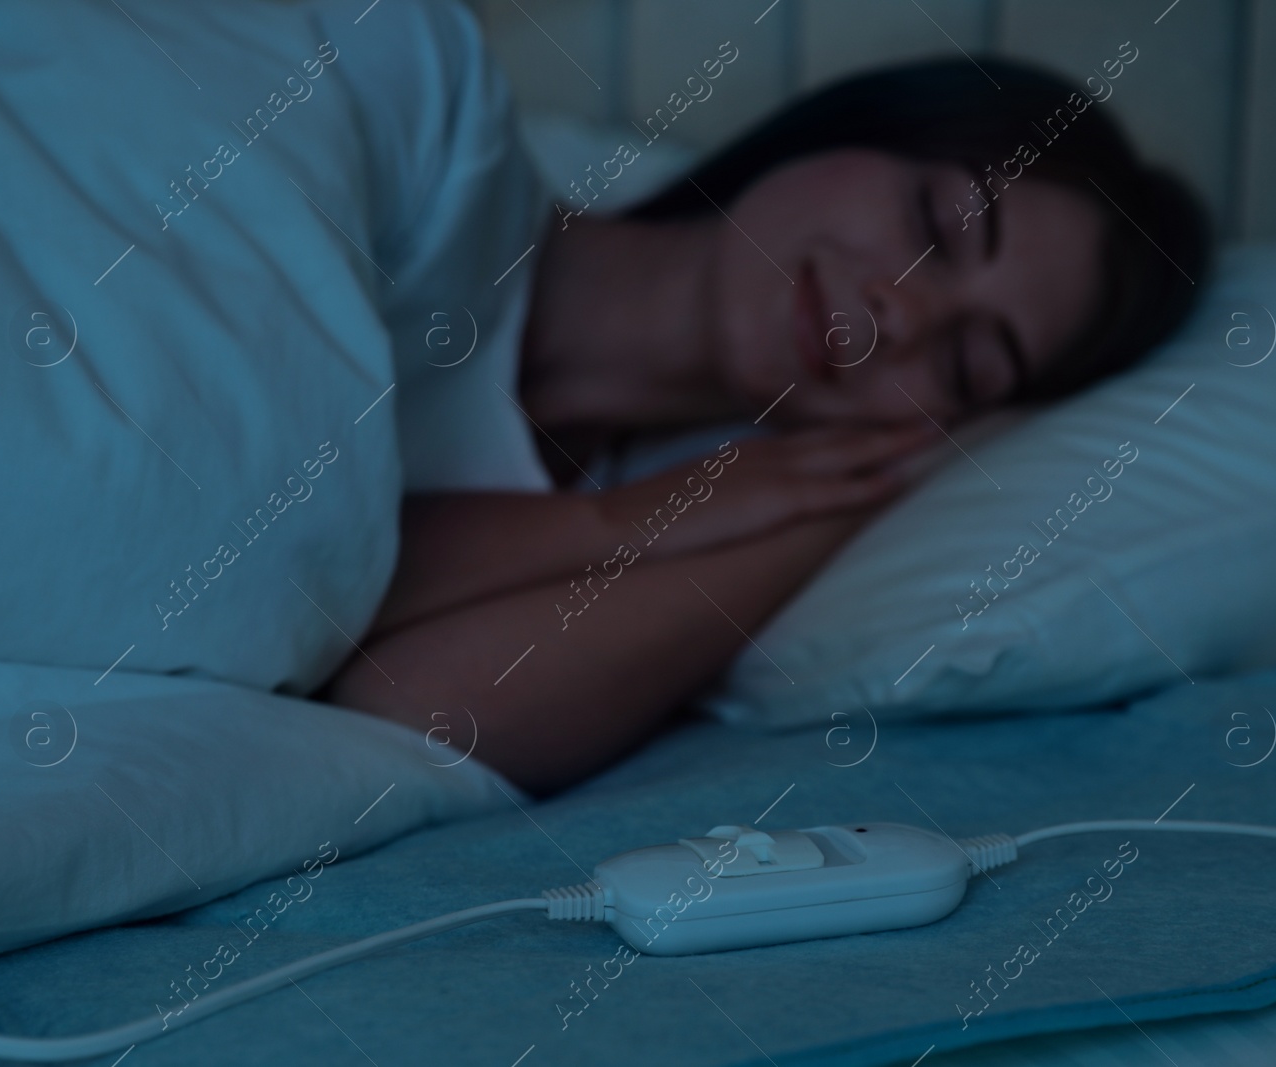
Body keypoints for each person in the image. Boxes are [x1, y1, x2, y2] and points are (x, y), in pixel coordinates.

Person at [321, 58, 1212, 793]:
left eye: (967, 364)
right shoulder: (422, 130)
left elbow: (408, 714)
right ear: (847, 130)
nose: (898, 312)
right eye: (936, 225)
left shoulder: (627, 520)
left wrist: (870, 484)